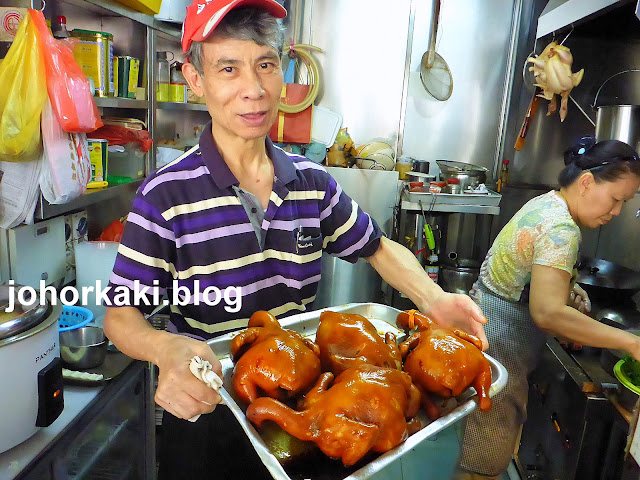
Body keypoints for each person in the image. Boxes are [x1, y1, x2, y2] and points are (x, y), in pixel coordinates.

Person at [102, 1, 489, 478]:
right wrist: (165, 350)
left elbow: (378, 249)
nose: (254, 89)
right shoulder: (164, 195)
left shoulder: (311, 182)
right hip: (209, 414)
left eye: (265, 64)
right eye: (229, 68)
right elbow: (120, 315)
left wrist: (433, 298)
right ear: (195, 79)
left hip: (307, 410)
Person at [454, 137, 640, 480]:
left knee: (475, 438)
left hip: (490, 329)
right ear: (586, 182)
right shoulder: (562, 228)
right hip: (501, 341)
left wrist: (569, 287)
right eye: (616, 200)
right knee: (482, 458)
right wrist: (630, 342)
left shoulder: (549, 203)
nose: (615, 212)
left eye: (624, 204)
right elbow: (548, 313)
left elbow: (534, 274)